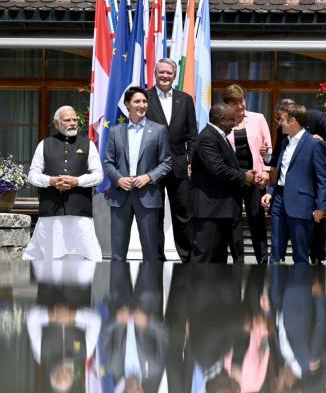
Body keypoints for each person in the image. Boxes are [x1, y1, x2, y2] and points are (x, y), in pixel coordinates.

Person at [23, 106, 103, 261]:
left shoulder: (88, 144)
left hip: (80, 213)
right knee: (50, 259)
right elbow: (32, 175)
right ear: (57, 123)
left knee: (85, 258)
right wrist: (50, 181)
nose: (72, 123)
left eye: (75, 120)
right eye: (67, 120)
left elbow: (98, 175)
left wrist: (77, 181)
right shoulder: (44, 144)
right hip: (51, 213)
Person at [102, 86, 172, 262]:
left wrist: (149, 177)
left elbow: (167, 162)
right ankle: (118, 289)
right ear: (127, 105)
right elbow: (108, 162)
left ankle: (149, 290)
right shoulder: (116, 131)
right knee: (118, 254)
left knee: (150, 253)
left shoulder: (159, 130)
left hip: (147, 196)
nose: (142, 105)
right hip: (120, 196)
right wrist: (118, 179)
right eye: (137, 101)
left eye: (144, 101)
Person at [189, 103, 258, 263]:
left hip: (220, 210)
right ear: (221, 119)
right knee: (204, 256)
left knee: (218, 257)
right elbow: (218, 169)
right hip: (210, 210)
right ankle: (192, 288)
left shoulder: (218, 136)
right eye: (231, 120)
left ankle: (216, 288)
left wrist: (245, 173)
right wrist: (243, 177)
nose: (234, 124)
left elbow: (226, 165)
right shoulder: (207, 137)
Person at [260, 103, 326, 264]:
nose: (279, 123)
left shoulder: (314, 144)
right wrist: (270, 191)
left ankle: (300, 288)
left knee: (300, 254)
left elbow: (322, 178)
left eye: (282, 119)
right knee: (275, 252)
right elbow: (282, 172)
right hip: (279, 200)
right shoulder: (285, 142)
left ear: (293, 121)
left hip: (301, 204)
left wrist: (321, 207)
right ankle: (276, 287)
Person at [145, 58, 197, 262]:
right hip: (151, 167)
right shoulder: (145, 98)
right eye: (161, 72)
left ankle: (188, 258)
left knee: (183, 214)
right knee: (155, 214)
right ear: (155, 74)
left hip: (179, 166)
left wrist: (191, 160)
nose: (165, 76)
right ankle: (157, 259)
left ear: (175, 76)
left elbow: (192, 134)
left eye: (169, 73)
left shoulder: (185, 99)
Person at [222, 84, 272, 264]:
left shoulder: (258, 118)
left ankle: (263, 259)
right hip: (233, 179)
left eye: (241, 101)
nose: (240, 106)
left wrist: (266, 172)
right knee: (234, 221)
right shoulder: (222, 121)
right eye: (235, 103)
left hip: (255, 178)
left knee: (257, 219)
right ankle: (238, 260)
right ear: (227, 104)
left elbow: (268, 149)